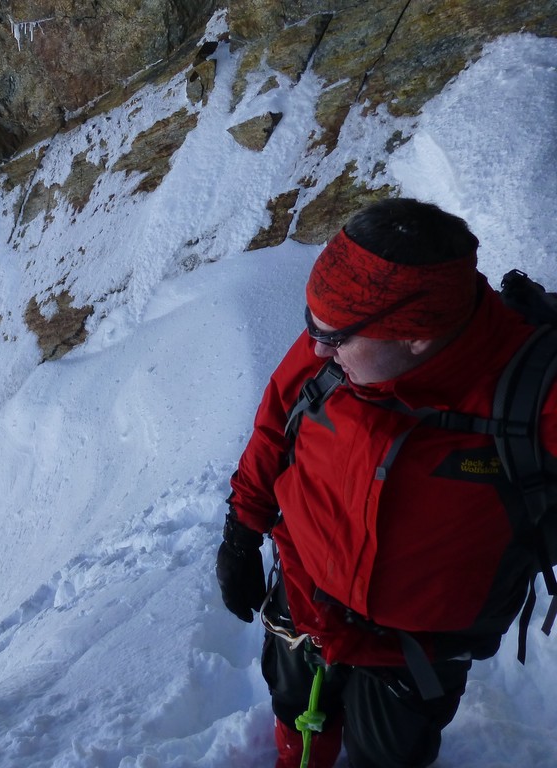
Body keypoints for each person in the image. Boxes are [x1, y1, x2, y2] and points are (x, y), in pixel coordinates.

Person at [216, 198, 557, 768]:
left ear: (415, 335)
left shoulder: (532, 397)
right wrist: (241, 531)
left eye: (333, 336)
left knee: (387, 754)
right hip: (302, 595)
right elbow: (275, 424)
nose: (315, 348)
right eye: (313, 326)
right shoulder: (341, 343)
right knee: (294, 705)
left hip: (415, 649)